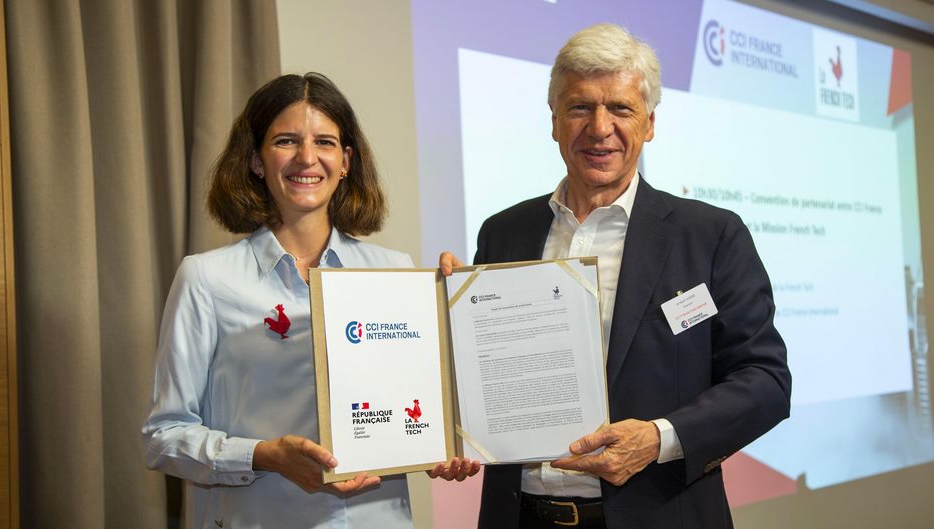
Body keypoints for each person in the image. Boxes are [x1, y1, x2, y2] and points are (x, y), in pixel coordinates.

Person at [439, 24, 791, 529]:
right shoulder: (503, 232)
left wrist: (659, 438)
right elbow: (480, 379)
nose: (599, 127)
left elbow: (765, 381)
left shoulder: (711, 235)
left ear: (649, 123)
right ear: (554, 122)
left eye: (621, 109)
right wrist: (445, 315)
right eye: (580, 107)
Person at [142, 72, 475, 529]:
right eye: (286, 141)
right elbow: (163, 436)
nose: (307, 157)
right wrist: (264, 455)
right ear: (256, 160)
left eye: (325, 142)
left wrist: (444, 443)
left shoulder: (395, 270)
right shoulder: (206, 279)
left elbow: (418, 410)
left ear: (346, 161)